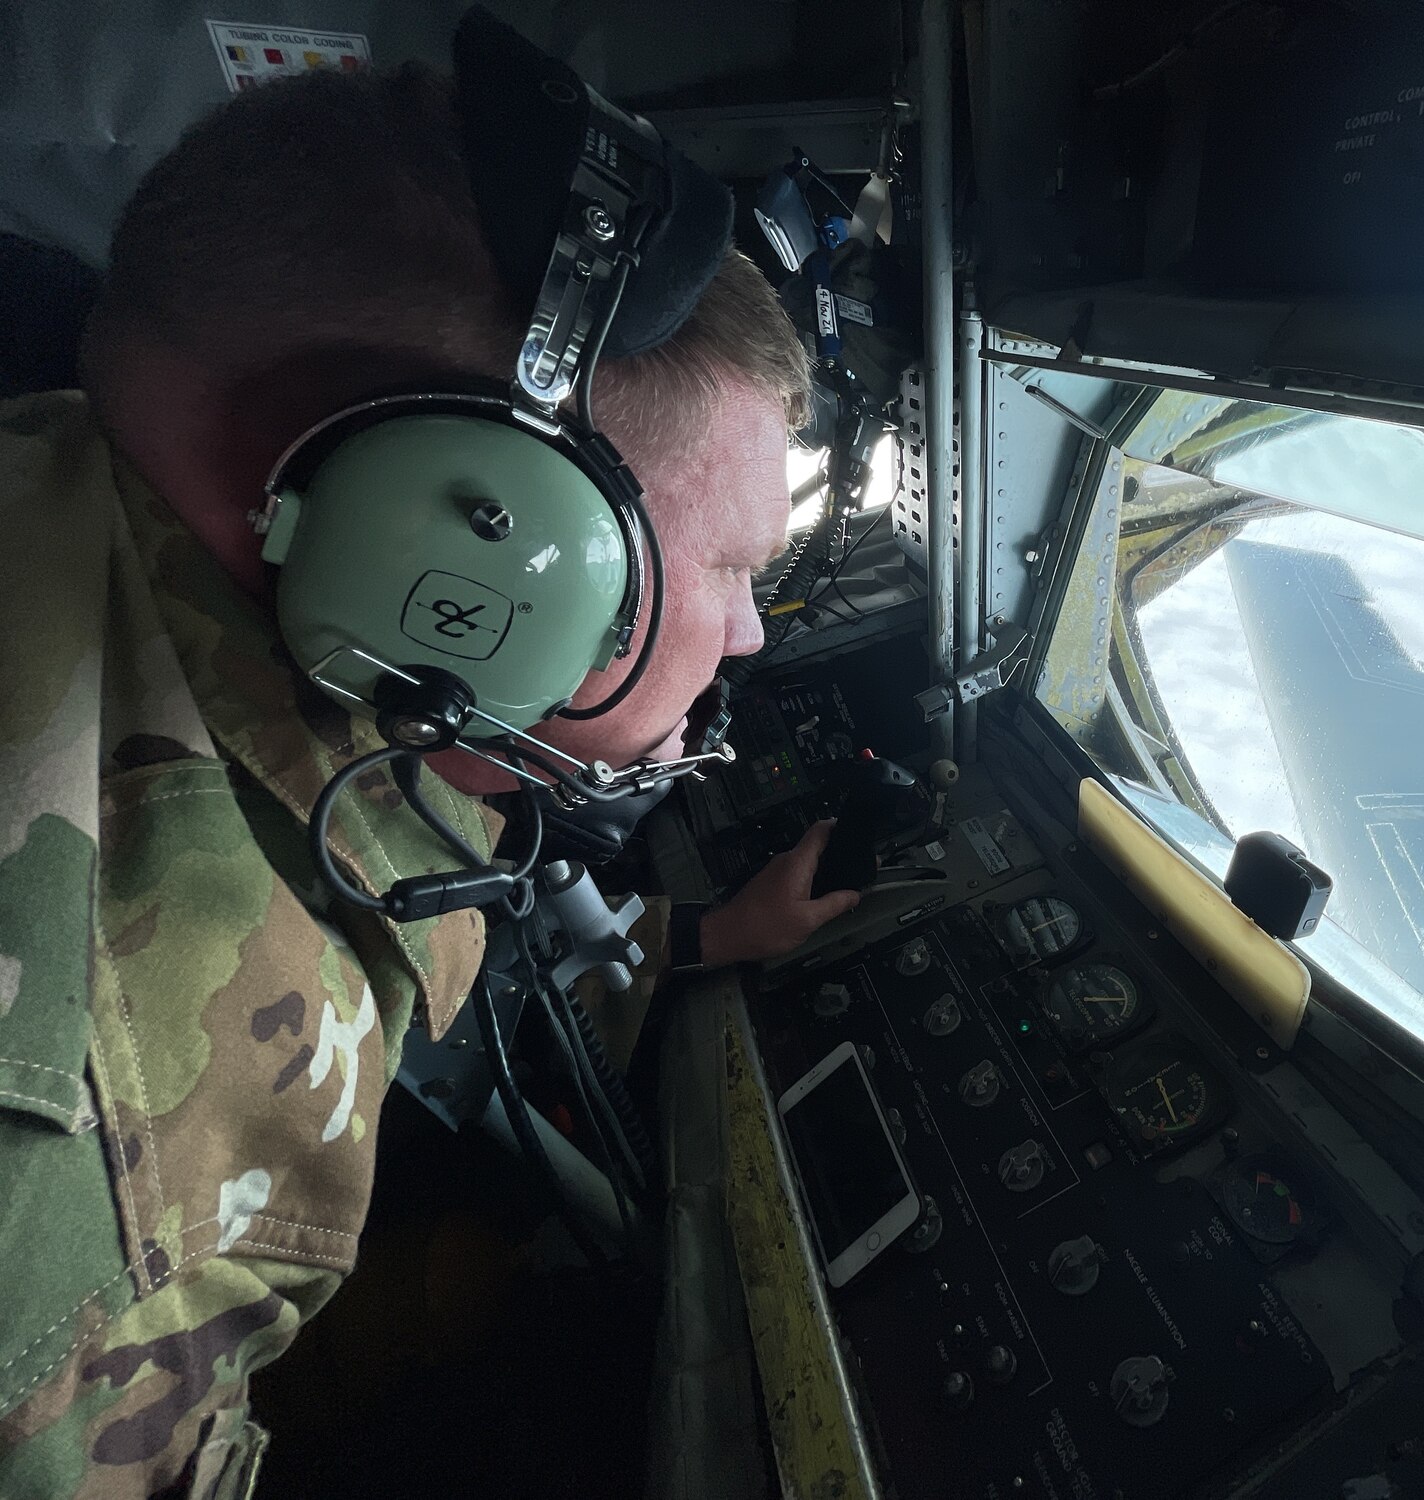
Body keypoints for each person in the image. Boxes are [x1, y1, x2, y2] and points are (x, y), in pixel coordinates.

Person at [0, 59, 859, 1498]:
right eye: (731, 566)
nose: (754, 633)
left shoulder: (60, 464)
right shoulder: (93, 1196)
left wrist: (696, 943)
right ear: (456, 551)